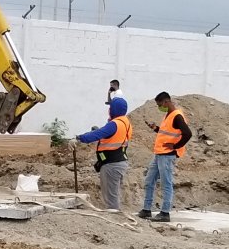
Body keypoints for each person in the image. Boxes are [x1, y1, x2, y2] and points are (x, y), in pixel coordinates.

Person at [139, 92, 193, 222]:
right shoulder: (168, 115)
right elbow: (167, 133)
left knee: (166, 183)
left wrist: (175, 146)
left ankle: (165, 213)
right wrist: (156, 128)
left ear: (166, 102)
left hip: (167, 155)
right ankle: (146, 210)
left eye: (159, 105)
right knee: (149, 181)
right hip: (159, 153)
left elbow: (187, 134)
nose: (159, 107)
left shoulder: (177, 116)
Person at [73, 97, 132, 210]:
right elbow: (110, 135)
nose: (109, 110)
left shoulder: (114, 124)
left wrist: (79, 138)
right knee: (113, 194)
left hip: (111, 165)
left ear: (113, 109)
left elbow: (97, 134)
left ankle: (114, 222)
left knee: (111, 199)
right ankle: (115, 217)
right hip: (119, 162)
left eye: (110, 107)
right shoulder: (125, 122)